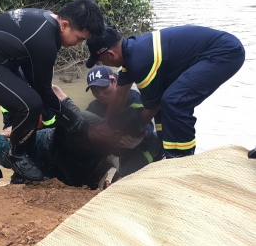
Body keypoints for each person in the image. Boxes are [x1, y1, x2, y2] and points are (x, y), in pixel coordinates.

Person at [0, 0, 104, 182]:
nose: (79, 44)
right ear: (65, 25)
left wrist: (64, 113)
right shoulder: (46, 41)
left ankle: (25, 159)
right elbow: (43, 91)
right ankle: (16, 153)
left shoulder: (48, 24)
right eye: (79, 38)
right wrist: (69, 115)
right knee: (31, 105)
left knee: (30, 103)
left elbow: (36, 82)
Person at [85, 25, 245, 158]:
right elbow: (120, 93)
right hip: (207, 54)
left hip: (225, 52)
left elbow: (151, 108)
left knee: (174, 101)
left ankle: (181, 158)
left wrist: (130, 131)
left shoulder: (141, 62)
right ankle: (167, 151)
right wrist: (106, 125)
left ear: (110, 54)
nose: (103, 63)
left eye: (101, 60)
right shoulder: (131, 55)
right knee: (167, 104)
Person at [0, 86, 146, 189]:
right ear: (116, 135)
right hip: (43, 147)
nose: (122, 148)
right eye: (123, 143)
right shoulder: (80, 121)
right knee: (5, 154)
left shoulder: (114, 139)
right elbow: (55, 93)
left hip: (71, 166)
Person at [85, 66, 163, 180]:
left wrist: (139, 140)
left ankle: (128, 175)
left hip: (140, 147)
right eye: (95, 90)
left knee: (155, 140)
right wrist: (112, 159)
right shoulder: (93, 108)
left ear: (115, 82)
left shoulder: (136, 100)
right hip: (112, 152)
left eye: (104, 87)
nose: (100, 94)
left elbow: (148, 129)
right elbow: (88, 139)